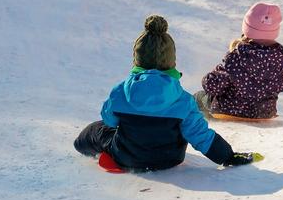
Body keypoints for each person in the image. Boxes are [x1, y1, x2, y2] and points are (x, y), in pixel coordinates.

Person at [73, 15, 257, 172]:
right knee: (185, 126)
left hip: (127, 157)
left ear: (137, 59)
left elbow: (110, 120)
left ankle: (81, 146)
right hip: (170, 159)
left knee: (96, 129)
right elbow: (199, 133)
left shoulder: (120, 92)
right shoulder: (183, 99)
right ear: (171, 62)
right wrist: (228, 156)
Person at [195, 3, 283, 120]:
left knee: (198, 97)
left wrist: (207, 79)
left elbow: (213, 86)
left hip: (228, 111)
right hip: (264, 114)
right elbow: (282, 85)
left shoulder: (237, 56)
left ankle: (191, 127)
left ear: (247, 28)